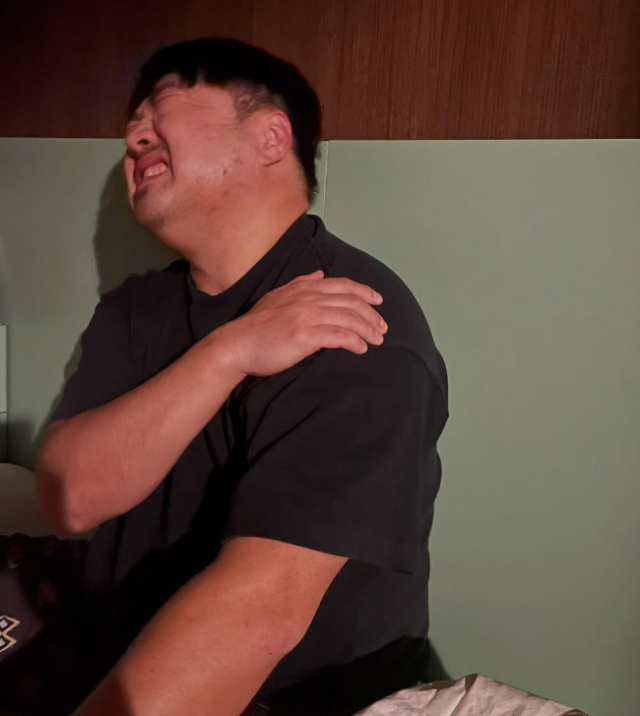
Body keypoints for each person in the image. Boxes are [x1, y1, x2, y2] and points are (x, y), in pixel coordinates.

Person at [33, 37, 448, 716]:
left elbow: (258, 618)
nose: (133, 137)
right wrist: (230, 351)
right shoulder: (135, 308)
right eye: (131, 123)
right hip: (106, 656)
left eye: (162, 105)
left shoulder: (354, 318)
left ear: (270, 137)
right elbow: (69, 496)